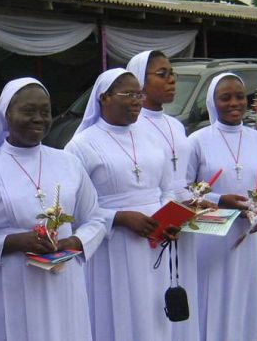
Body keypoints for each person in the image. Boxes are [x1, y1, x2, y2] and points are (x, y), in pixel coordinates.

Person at [0, 77, 106, 341]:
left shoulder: (69, 163)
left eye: (45, 111)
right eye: (28, 111)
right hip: (11, 282)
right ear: (7, 114)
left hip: (63, 280)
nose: (39, 118)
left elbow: (95, 219)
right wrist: (14, 241)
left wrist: (74, 241)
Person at [65, 68, 175, 341]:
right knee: (116, 313)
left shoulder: (151, 138)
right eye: (129, 94)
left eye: (139, 94)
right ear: (104, 98)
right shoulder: (81, 145)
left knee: (153, 313)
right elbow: (74, 210)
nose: (137, 100)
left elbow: (167, 189)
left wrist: (171, 218)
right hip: (110, 245)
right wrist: (120, 218)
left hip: (154, 241)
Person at [186, 73, 257, 341]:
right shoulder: (198, 140)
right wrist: (219, 200)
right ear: (212, 102)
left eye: (240, 96)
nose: (234, 103)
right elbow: (182, 187)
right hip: (209, 236)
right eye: (225, 98)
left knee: (245, 299)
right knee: (210, 295)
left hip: (247, 234)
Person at [127, 50, 199, 341]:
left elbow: (179, 178)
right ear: (139, 81)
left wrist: (196, 199)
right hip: (152, 222)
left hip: (179, 220)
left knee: (181, 289)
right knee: (152, 296)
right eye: (162, 74)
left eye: (172, 74)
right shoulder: (132, 125)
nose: (171, 80)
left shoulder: (176, 125)